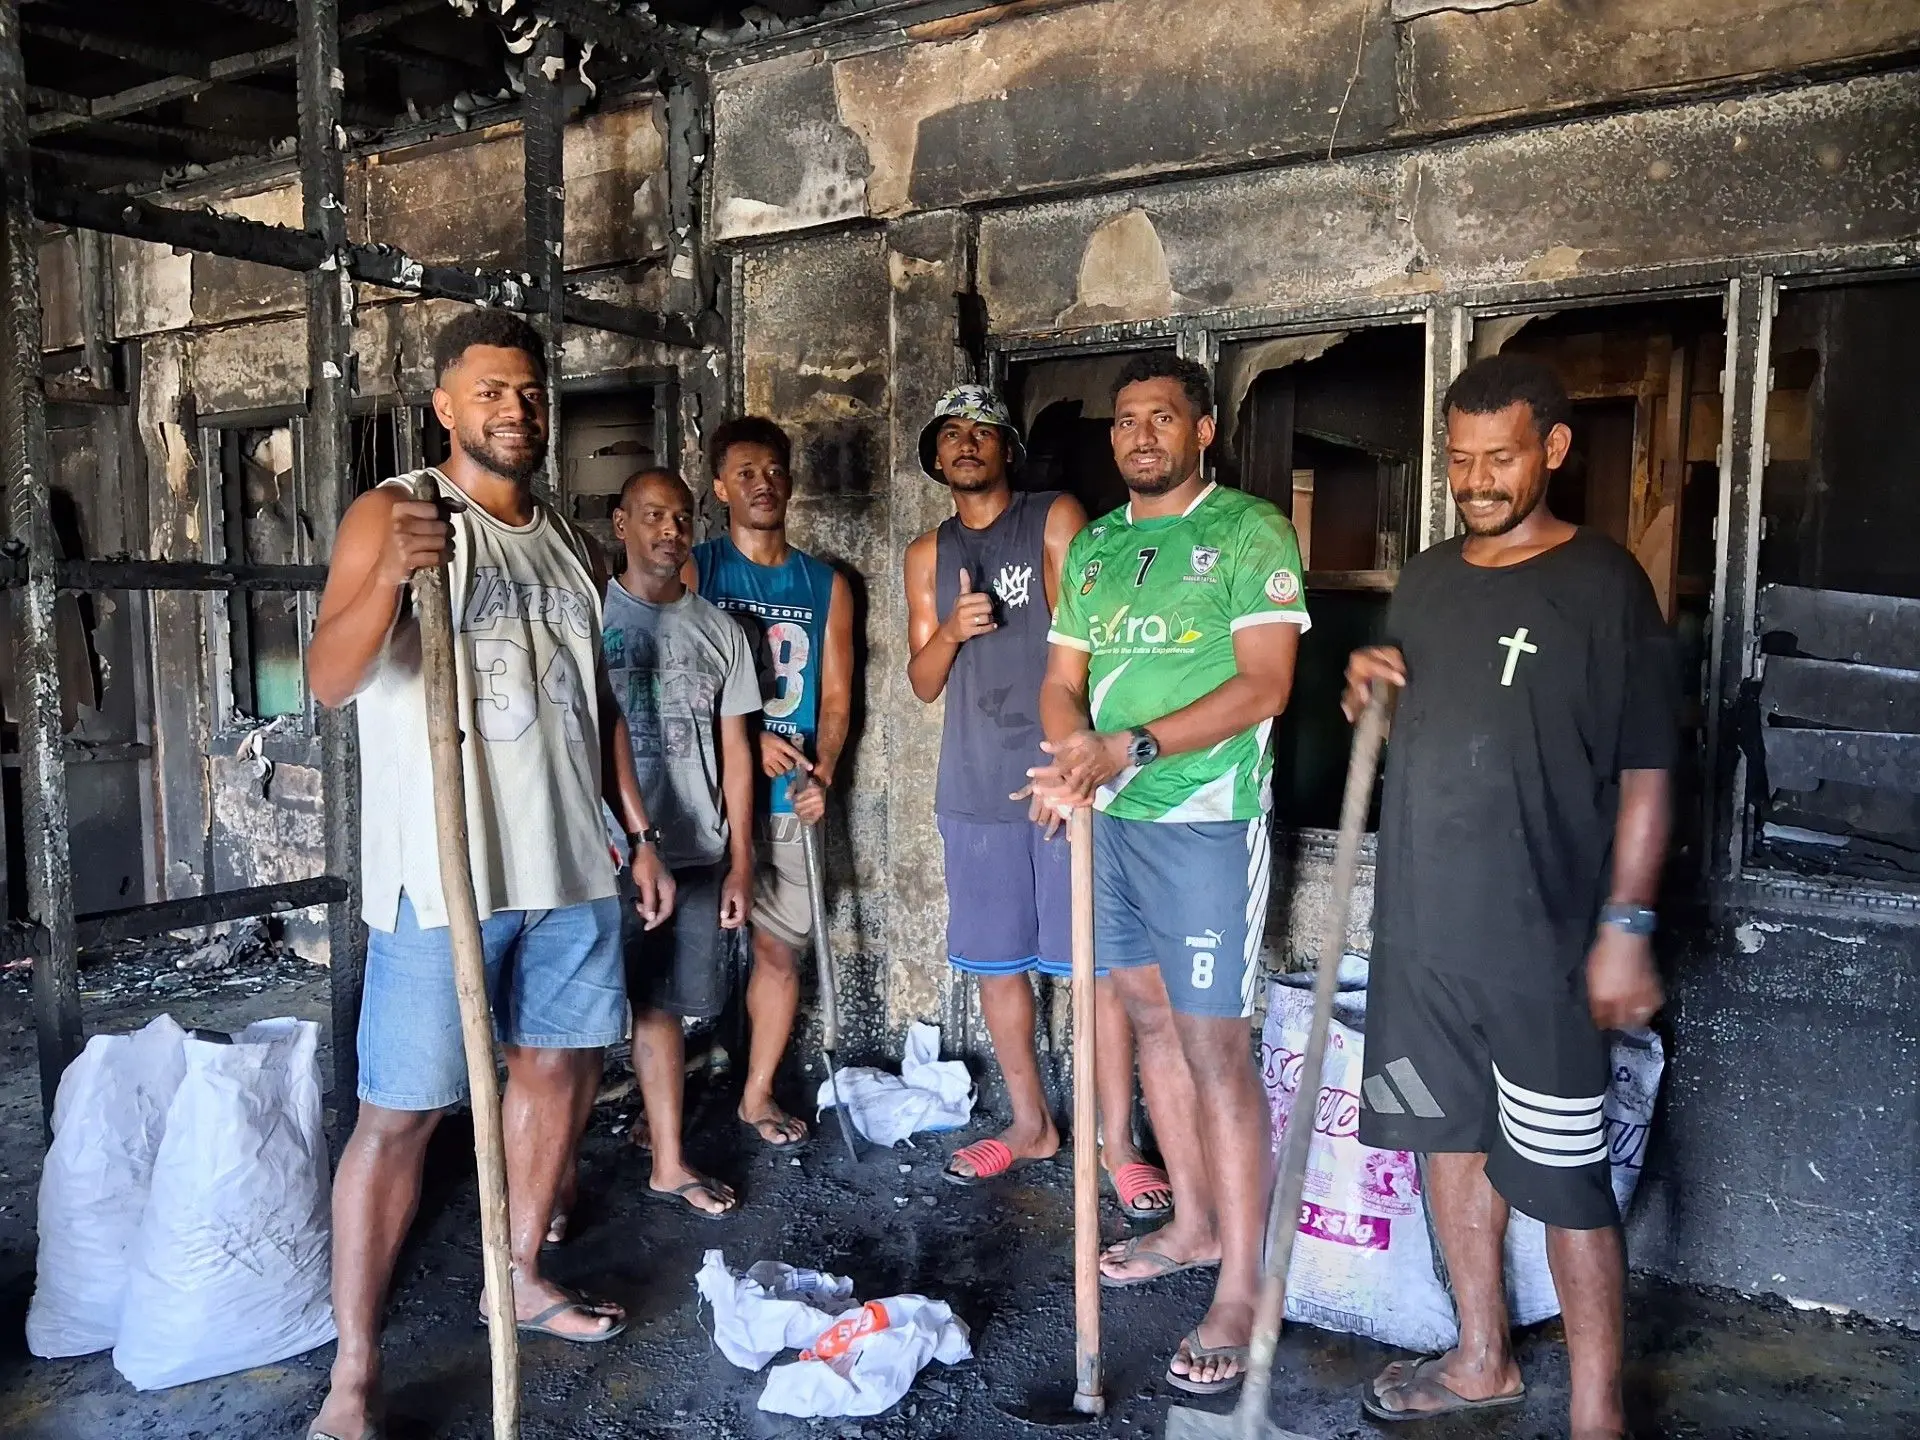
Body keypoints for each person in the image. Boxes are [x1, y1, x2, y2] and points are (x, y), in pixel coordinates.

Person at [304, 309, 674, 1440]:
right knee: (400, 1119)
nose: (516, 411)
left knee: (556, 1073)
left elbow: (597, 696)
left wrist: (636, 826)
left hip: (569, 866)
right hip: (444, 876)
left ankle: (512, 1273)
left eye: (529, 393)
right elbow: (327, 673)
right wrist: (389, 581)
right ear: (445, 408)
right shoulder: (400, 510)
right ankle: (354, 1377)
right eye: (492, 394)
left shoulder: (564, 536)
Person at [1345, 353, 1675, 1439]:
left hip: (1540, 939)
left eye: (1500, 457)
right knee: (1446, 1138)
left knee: (1568, 1176)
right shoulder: (1430, 576)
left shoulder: (1603, 583)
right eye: (1461, 459)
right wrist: (1369, 695)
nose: (1477, 479)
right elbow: (1425, 719)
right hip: (1422, 931)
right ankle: (1482, 1355)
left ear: (1554, 450)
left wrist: (1625, 928)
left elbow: (1645, 768)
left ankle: (1595, 1414)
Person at [1028, 354, 1311, 1396]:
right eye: (1126, 420)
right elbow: (1064, 684)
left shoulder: (1249, 531)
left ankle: (1244, 1286)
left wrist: (1127, 749)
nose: (1141, 435)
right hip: (1111, 820)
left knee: (1212, 1047)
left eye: (1163, 418)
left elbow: (1267, 684)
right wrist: (1074, 763)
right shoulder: (1096, 547)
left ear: (1203, 432)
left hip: (1203, 820)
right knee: (1145, 1021)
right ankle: (1193, 1227)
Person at [903, 385, 1172, 1218]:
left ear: (1007, 447)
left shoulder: (1055, 518)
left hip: (1067, 777)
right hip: (976, 789)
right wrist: (949, 629)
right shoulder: (927, 554)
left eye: (982, 431)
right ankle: (1031, 1126)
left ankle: (1117, 1146)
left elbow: (1096, 644)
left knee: (1094, 969)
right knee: (998, 966)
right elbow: (921, 682)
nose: (966, 444)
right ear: (936, 457)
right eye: (950, 435)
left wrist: (1079, 767)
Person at [688, 416, 855, 1150]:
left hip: (789, 801)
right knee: (673, 959)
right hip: (702, 798)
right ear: (722, 486)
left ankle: (755, 1096)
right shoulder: (699, 569)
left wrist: (822, 774)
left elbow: (840, 697)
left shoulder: (824, 584)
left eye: (775, 471)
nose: (764, 484)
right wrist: (744, 739)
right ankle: (664, 1105)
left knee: (779, 951)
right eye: (746, 473)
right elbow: (672, 681)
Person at [604, 468, 763, 1216]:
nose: (669, 531)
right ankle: (557, 1189)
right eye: (652, 516)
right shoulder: (590, 620)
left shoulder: (719, 630)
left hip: (696, 848)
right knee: (567, 1032)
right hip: (599, 855)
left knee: (663, 1007)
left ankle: (668, 1161)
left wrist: (741, 858)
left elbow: (737, 751)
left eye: (680, 518)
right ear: (620, 524)